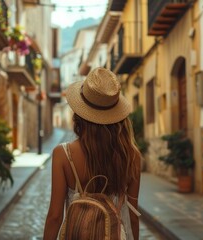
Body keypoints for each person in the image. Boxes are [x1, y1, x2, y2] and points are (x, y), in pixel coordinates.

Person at [43, 67, 142, 240]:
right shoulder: (132, 156)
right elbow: (133, 216)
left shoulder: (63, 154)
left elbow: (55, 216)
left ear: (79, 114)